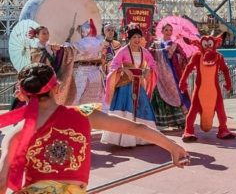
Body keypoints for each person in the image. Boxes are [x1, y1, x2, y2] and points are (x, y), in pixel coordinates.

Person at [0, 63, 189, 194]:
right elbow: (136, 128)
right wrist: (173, 147)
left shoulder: (16, 132)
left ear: (23, 95)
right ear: (57, 87)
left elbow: (1, 183)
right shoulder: (84, 115)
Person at [101, 25, 159, 147]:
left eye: (139, 37)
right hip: (125, 86)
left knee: (143, 107)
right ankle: (121, 139)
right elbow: (113, 66)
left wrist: (148, 69)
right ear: (129, 39)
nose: (137, 39)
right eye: (134, 37)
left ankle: (143, 138)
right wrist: (123, 69)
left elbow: (153, 64)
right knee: (125, 108)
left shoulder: (145, 52)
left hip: (139, 84)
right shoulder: (123, 51)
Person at [150, 23, 190, 131]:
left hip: (172, 74)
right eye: (166, 30)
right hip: (159, 74)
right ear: (162, 31)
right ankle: (160, 121)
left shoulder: (175, 45)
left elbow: (183, 57)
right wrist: (162, 51)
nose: (168, 32)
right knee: (158, 95)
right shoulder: (156, 44)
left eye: (170, 30)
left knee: (175, 95)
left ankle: (179, 120)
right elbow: (149, 54)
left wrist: (173, 54)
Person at [68, 19, 105, 106]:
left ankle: (77, 117)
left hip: (83, 71)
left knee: (78, 97)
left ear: (84, 32)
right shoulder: (99, 42)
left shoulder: (81, 43)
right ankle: (94, 117)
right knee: (95, 98)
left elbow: (68, 50)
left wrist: (69, 37)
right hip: (96, 71)